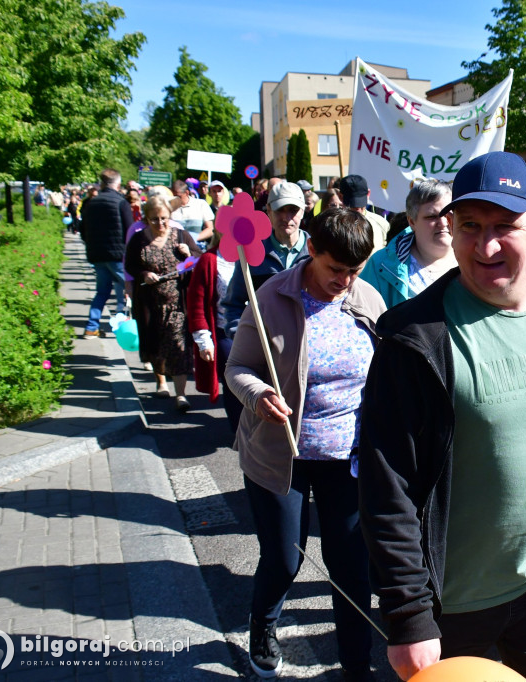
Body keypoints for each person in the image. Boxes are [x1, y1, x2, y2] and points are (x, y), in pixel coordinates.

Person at [358, 151, 526, 682]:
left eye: (506, 226)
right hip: (447, 608)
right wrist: (408, 616)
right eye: (470, 226)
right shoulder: (412, 337)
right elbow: (387, 488)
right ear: (449, 228)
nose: (486, 245)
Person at [226, 207, 386, 680]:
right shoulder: (272, 296)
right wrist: (259, 395)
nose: (344, 281)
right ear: (312, 249)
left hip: (347, 459)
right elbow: (238, 370)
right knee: (284, 558)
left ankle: (357, 666)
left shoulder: (368, 299)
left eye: (354, 271)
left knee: (351, 566)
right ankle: (263, 623)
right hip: (282, 455)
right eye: (336, 269)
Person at [222, 181, 311, 429]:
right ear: (269, 212)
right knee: (266, 418)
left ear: (303, 211)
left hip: (306, 348)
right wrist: (240, 334)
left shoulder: (317, 251)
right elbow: (232, 303)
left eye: (293, 210)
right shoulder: (250, 251)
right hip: (264, 352)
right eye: (281, 210)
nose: (287, 217)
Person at [125, 196, 202, 411]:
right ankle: (160, 383)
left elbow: (197, 259)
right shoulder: (139, 240)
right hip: (151, 304)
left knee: (179, 347)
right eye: (155, 220)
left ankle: (181, 395)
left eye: (164, 219)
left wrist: (189, 255)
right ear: (146, 220)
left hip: (177, 303)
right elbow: (130, 265)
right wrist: (143, 274)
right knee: (155, 345)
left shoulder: (181, 235)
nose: (160, 224)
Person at [359, 179, 455, 308]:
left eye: (448, 215)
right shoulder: (380, 265)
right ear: (412, 222)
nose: (443, 223)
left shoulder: (476, 256)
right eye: (432, 217)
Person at [186, 226, 238, 430]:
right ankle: (239, 432)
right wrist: (203, 339)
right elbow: (197, 302)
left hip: (255, 333)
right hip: (225, 333)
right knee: (235, 383)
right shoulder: (209, 260)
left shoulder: (255, 257)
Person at [80, 169, 133, 337]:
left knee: (101, 291)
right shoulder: (121, 202)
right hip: (118, 255)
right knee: (132, 290)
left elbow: (82, 228)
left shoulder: (90, 203)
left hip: (97, 254)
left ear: (102, 183)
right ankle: (133, 330)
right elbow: (130, 230)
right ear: (117, 184)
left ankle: (91, 326)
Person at [339, 174, 390, 254]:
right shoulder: (334, 225)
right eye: (352, 203)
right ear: (341, 197)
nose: (357, 208)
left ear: (368, 194)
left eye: (360, 202)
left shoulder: (382, 224)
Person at [171, 178, 215, 247]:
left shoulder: (201, 204)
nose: (175, 199)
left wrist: (193, 238)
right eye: (174, 196)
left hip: (196, 247)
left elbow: (210, 229)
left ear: (187, 193)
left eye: (178, 196)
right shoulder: (169, 207)